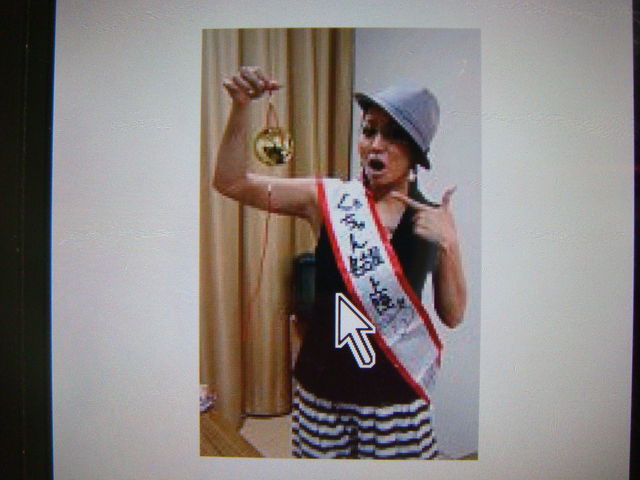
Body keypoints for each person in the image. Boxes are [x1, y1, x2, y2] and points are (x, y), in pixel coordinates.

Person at [213, 66, 467, 459]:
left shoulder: (432, 218)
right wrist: (241, 107)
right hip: (321, 392)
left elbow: (452, 315)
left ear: (417, 151)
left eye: (394, 134)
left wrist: (449, 244)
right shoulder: (329, 200)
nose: (376, 145)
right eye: (369, 131)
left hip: (395, 399)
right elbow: (230, 182)